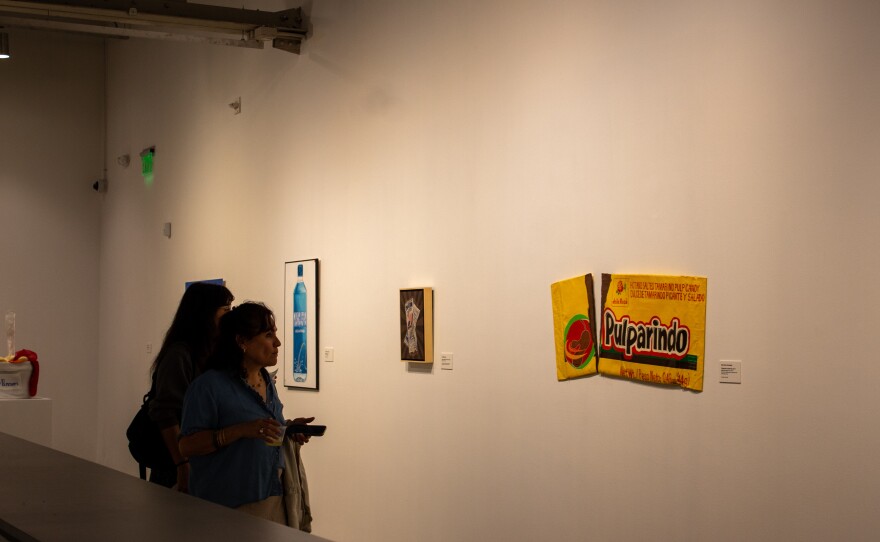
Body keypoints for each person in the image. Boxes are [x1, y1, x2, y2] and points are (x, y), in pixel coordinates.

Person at [179, 302, 314, 524]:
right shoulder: (209, 386)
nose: (277, 343)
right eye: (269, 335)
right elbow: (187, 446)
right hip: (228, 507)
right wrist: (241, 431)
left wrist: (288, 430)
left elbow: (263, 430)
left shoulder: (267, 380)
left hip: (273, 499)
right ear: (242, 341)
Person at [147, 281, 234, 491]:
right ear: (205, 314)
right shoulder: (180, 355)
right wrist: (182, 464)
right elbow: (166, 414)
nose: (230, 317)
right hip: (177, 466)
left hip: (204, 461)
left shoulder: (211, 354)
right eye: (225, 310)